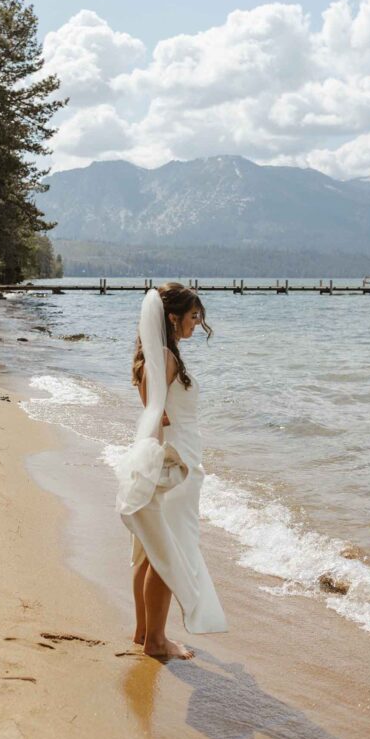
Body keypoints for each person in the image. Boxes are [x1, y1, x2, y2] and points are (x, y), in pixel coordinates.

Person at [115, 282, 227, 659]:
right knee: (168, 550)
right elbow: (157, 412)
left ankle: (144, 632)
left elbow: (154, 408)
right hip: (176, 460)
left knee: (149, 549)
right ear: (173, 317)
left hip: (167, 454)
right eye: (193, 316)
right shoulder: (165, 356)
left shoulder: (155, 356)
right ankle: (156, 642)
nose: (197, 324)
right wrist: (162, 450)